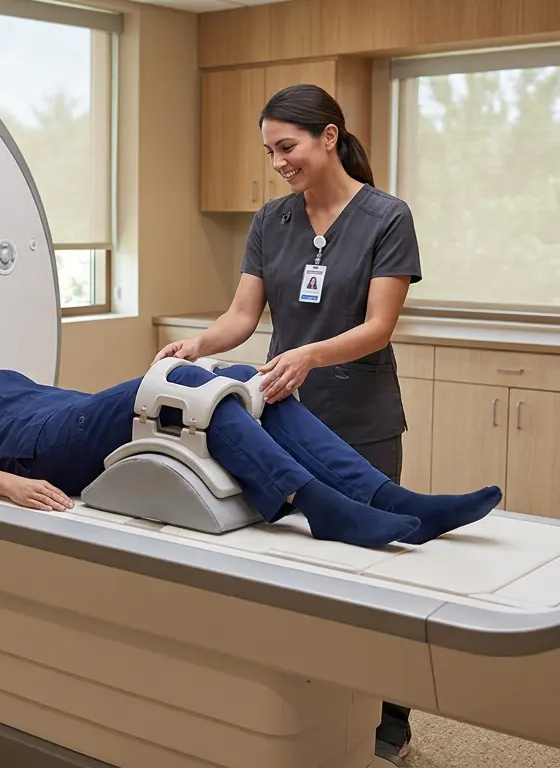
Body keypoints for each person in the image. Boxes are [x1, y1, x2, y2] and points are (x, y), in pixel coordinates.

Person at [152, 83, 425, 760]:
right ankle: (307, 705)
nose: (278, 161)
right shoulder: (272, 221)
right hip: (282, 417)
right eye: (270, 150)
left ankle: (388, 713)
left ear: (329, 137)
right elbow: (244, 318)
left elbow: (379, 326)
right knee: (294, 568)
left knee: (369, 571)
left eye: (288, 146)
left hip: (360, 418)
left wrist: (306, 352)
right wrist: (197, 345)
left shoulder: (387, 217)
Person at [0, 325, 501, 552]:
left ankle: (391, 500)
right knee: (187, 379)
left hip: (76, 416)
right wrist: (14, 487)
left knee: (252, 381)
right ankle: (316, 504)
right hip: (42, 447)